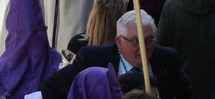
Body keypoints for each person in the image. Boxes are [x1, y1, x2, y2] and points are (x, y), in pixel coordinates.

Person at [39, 10, 192, 99]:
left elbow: (186, 94)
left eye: (149, 40)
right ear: (119, 41)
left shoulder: (167, 59)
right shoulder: (93, 59)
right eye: (135, 41)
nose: (143, 48)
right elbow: (50, 88)